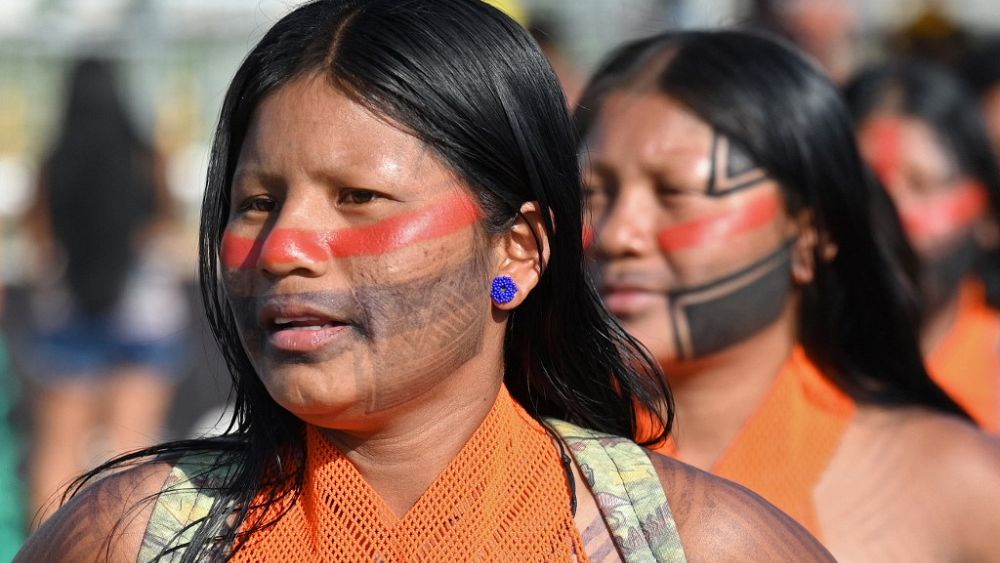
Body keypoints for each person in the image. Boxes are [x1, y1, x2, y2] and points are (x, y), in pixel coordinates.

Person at [14, 2, 832, 561]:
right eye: (257, 201)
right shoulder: (129, 535)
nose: (285, 247)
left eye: (359, 199)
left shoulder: (695, 541)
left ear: (517, 249)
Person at [577, 29, 1000, 561]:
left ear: (809, 233)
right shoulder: (518, 442)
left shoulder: (960, 485)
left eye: (673, 193)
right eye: (592, 194)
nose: (617, 234)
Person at [23, 58, 188, 525]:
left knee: (58, 449)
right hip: (143, 311)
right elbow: (164, 221)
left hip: (69, 311)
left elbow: (40, 241)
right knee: (134, 449)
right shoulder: (146, 155)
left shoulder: (52, 161)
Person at [845, 61, 1000, 432]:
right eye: (869, 187)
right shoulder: (768, 372)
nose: (892, 215)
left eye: (921, 184)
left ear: (988, 215)